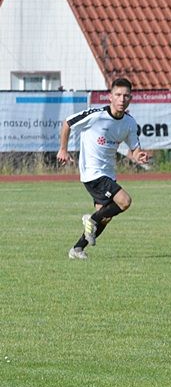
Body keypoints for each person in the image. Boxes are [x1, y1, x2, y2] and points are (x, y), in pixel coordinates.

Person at [57, 77, 148, 259]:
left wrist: (139, 156)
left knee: (105, 217)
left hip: (108, 173)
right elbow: (67, 123)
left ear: (130, 98)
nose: (122, 99)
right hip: (92, 173)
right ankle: (90, 220)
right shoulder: (96, 115)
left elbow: (134, 149)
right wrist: (63, 149)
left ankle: (77, 249)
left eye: (126, 96)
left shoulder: (129, 123)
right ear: (110, 97)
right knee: (125, 201)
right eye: (118, 95)